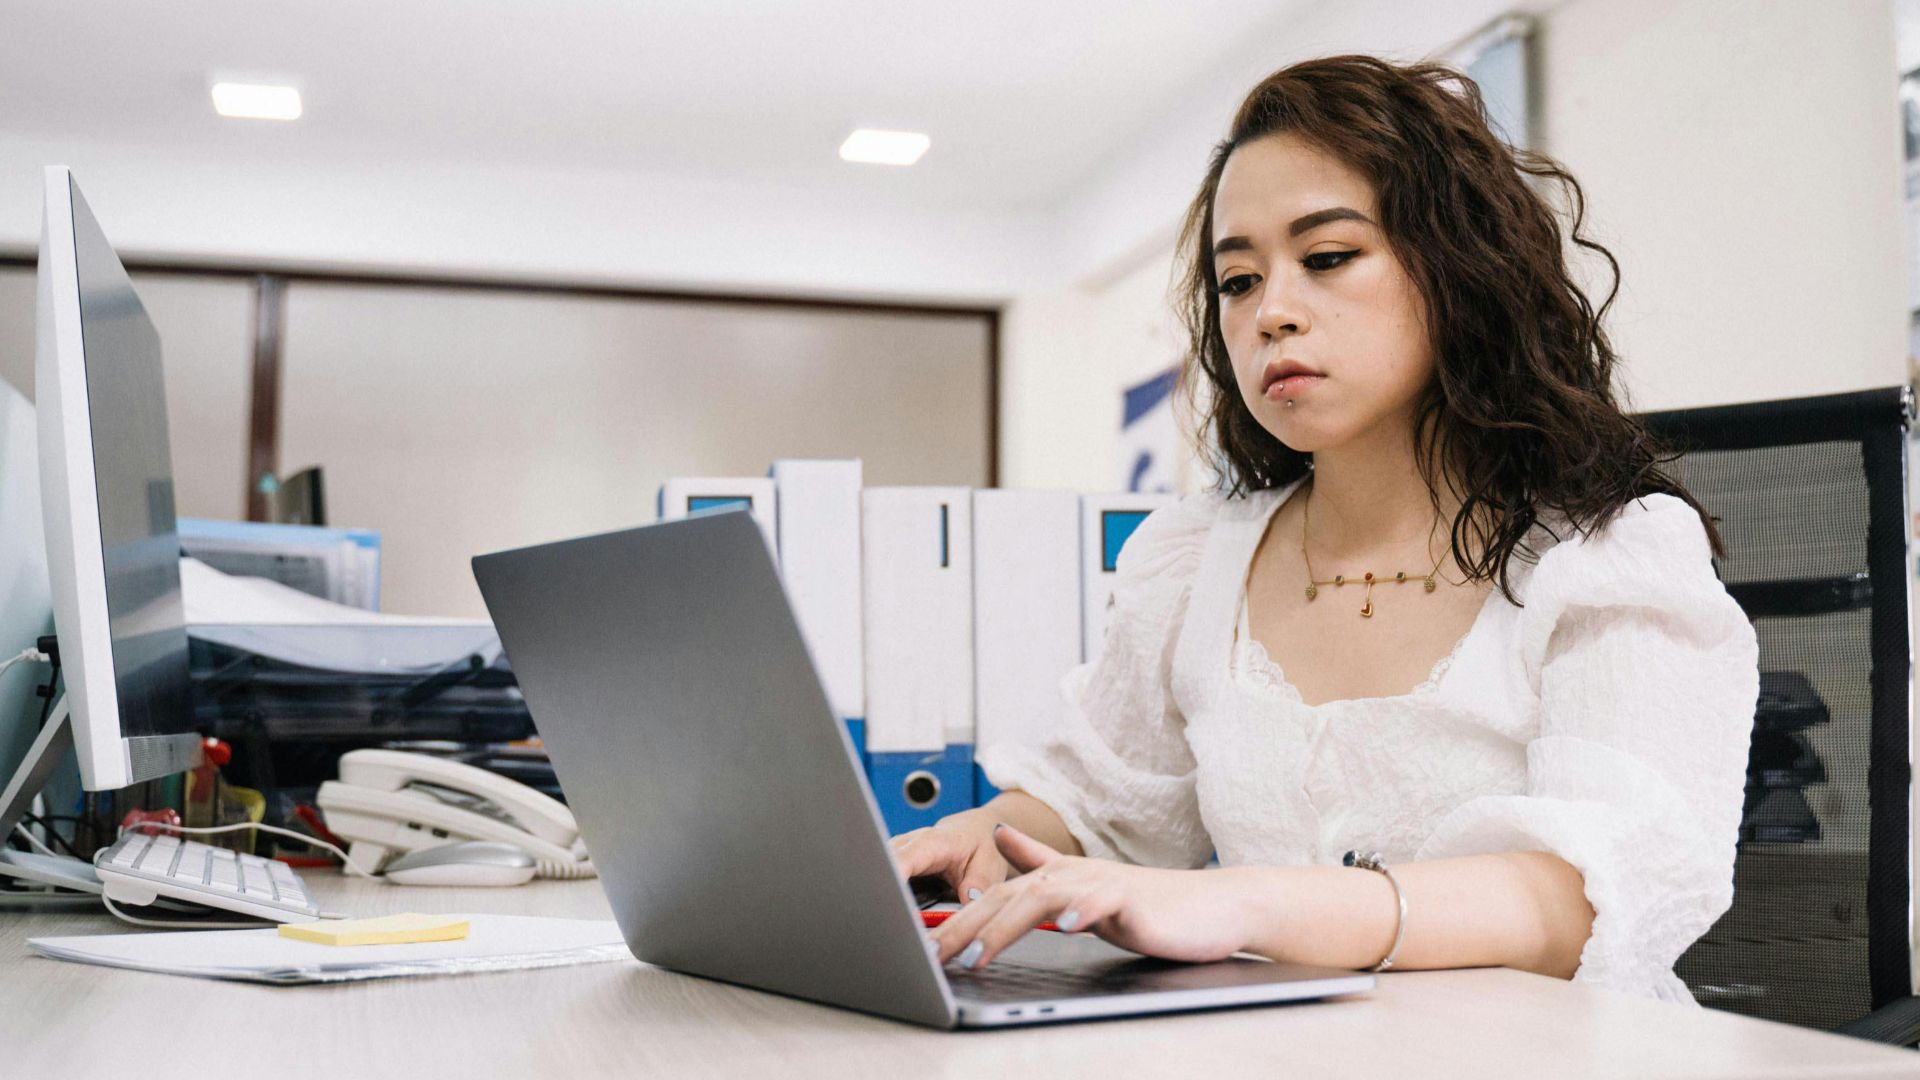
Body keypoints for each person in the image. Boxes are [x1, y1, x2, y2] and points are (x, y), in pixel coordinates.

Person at [891, 54, 1759, 1005]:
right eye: (1237, 281)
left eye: (1328, 257)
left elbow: (1583, 905)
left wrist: (1249, 904)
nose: (1272, 313)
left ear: (1458, 267)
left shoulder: (1608, 559)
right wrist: (988, 836)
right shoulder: (1196, 562)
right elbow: (1103, 803)